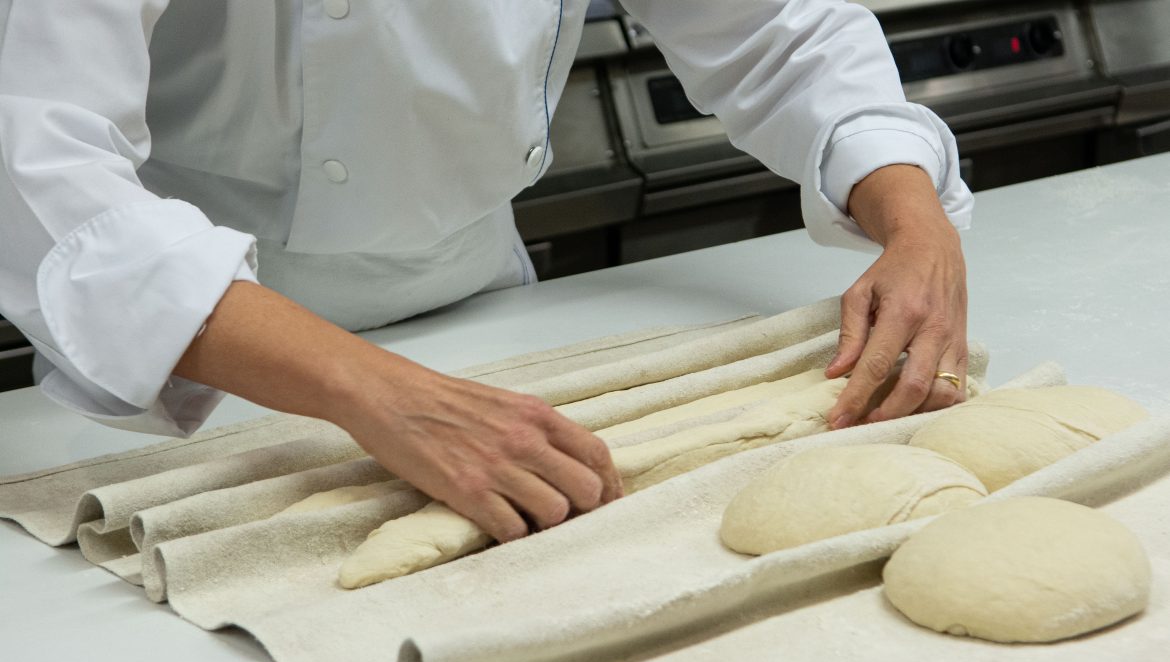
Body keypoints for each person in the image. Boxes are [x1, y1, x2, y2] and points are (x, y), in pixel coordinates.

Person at [0, 0, 972, 543]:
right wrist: (364, 389)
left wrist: (910, 211)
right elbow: (41, 164)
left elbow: (778, 31)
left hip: (489, 338)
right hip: (181, 363)